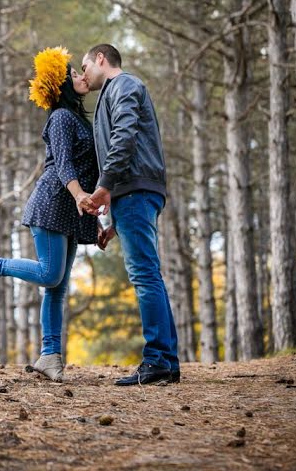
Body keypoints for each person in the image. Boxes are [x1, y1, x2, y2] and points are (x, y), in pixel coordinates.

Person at [0, 46, 110, 383]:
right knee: (49, 275)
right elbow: (63, 163)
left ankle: (49, 356)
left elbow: (87, 172)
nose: (81, 76)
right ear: (60, 85)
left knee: (57, 287)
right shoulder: (60, 117)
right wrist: (79, 197)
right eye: (73, 74)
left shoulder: (78, 119)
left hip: (73, 209)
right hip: (53, 203)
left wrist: (96, 218)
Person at [79, 43, 180, 386]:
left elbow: (124, 136)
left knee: (144, 276)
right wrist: (112, 222)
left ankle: (155, 361)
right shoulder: (114, 92)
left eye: (85, 66)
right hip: (131, 193)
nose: (83, 74)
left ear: (101, 59)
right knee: (149, 273)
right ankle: (167, 360)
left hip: (135, 189)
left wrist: (105, 185)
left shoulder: (123, 86)